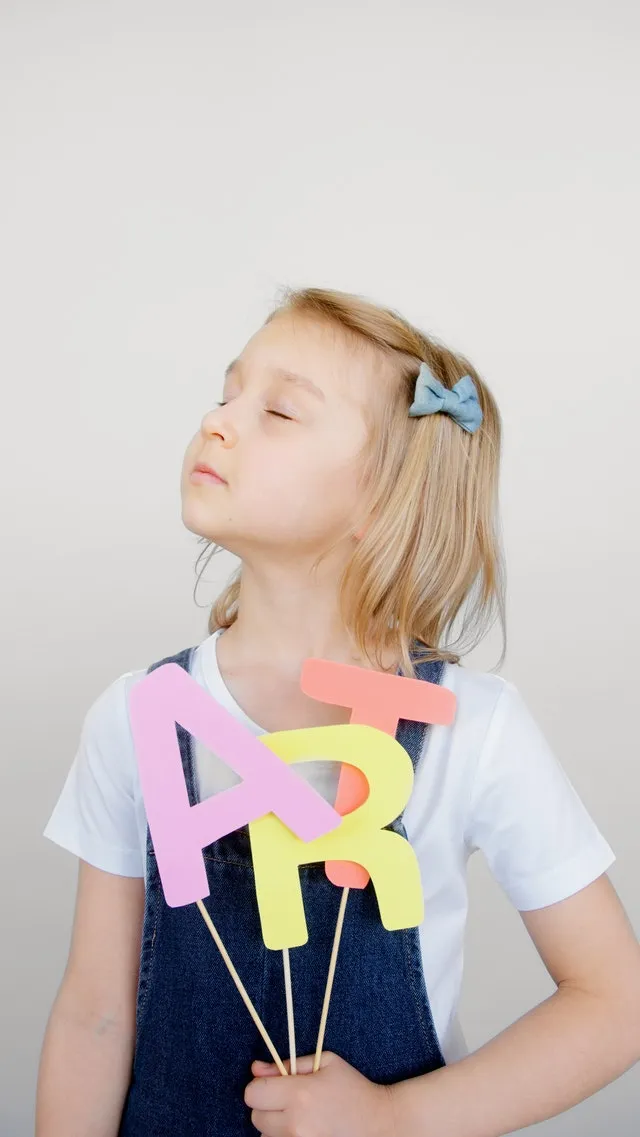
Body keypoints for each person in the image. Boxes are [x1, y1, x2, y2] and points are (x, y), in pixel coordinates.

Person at [37, 287, 640, 1137]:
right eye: (225, 393)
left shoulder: (475, 727)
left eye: (279, 411)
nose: (220, 421)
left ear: (381, 501)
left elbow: (615, 1002)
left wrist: (398, 1118)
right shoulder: (135, 717)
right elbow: (95, 1013)